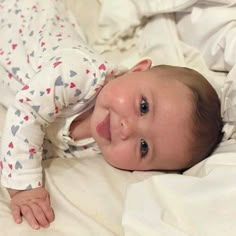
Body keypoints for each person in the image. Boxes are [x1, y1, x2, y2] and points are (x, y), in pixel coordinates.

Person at [0, 0, 223, 230]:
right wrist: (25, 187)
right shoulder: (77, 73)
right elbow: (27, 111)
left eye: (144, 147)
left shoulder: (95, 148)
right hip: (21, 14)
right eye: (143, 107)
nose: (127, 129)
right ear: (136, 70)